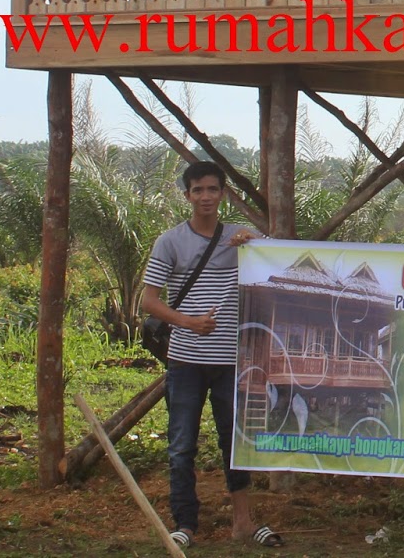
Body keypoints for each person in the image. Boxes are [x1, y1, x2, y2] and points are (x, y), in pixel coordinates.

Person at [140, 161, 281, 549]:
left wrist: (254, 243)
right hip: (185, 361)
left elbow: (277, 261)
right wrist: (187, 322)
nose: (205, 197)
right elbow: (149, 301)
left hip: (230, 363)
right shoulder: (170, 242)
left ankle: (243, 521)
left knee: (233, 441)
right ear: (187, 195)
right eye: (197, 190)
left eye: (212, 189)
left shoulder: (240, 236)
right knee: (181, 443)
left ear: (223, 194)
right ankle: (185, 524)